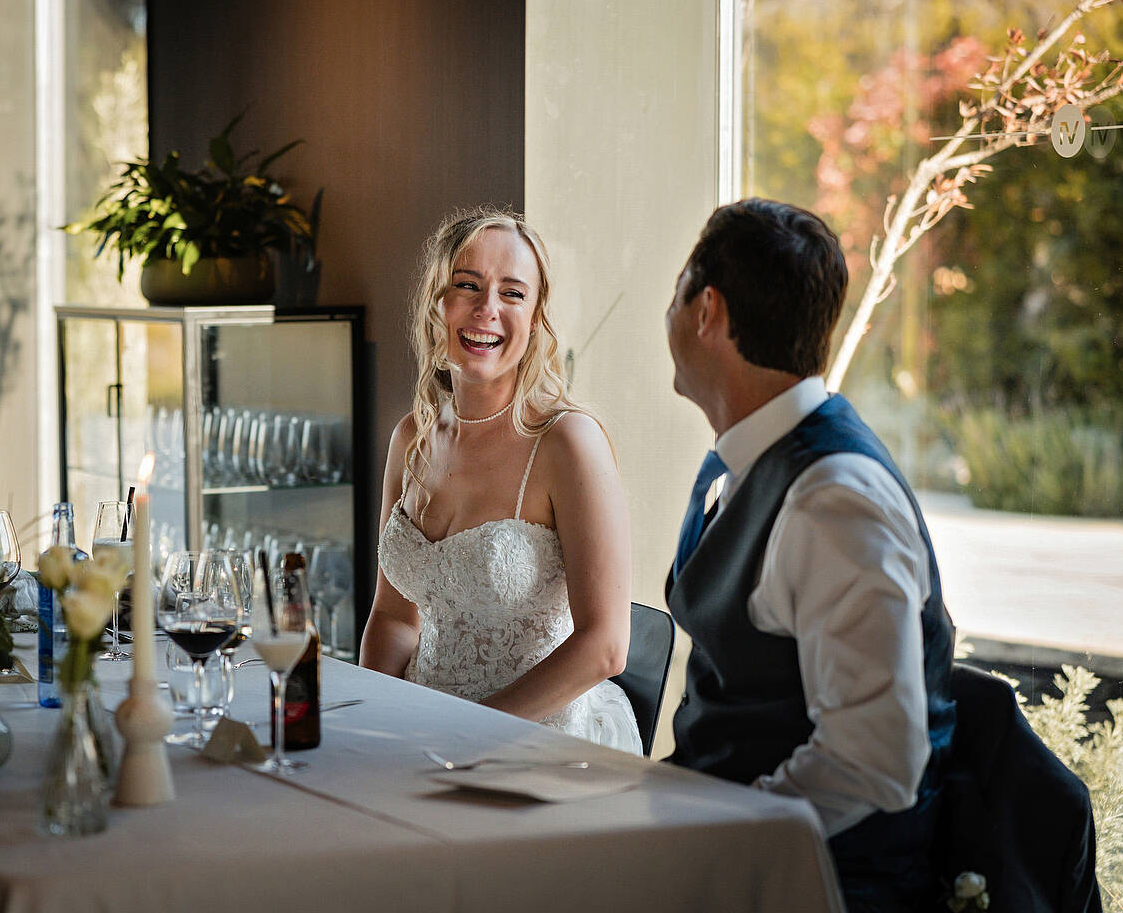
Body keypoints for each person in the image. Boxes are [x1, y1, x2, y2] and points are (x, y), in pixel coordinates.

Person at [662, 198, 956, 911]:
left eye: (676, 289)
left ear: (707, 311)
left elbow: (875, 761)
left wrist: (719, 844)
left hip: (814, 884)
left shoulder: (834, 501)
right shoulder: (750, 461)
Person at [362, 206, 641, 753]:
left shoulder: (568, 442)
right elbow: (394, 617)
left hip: (537, 744)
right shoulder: (411, 439)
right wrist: (377, 725)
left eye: (512, 293)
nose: (487, 309)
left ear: (536, 318)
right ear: (437, 303)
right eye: (467, 286)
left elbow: (606, 646)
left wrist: (472, 736)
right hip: (421, 737)